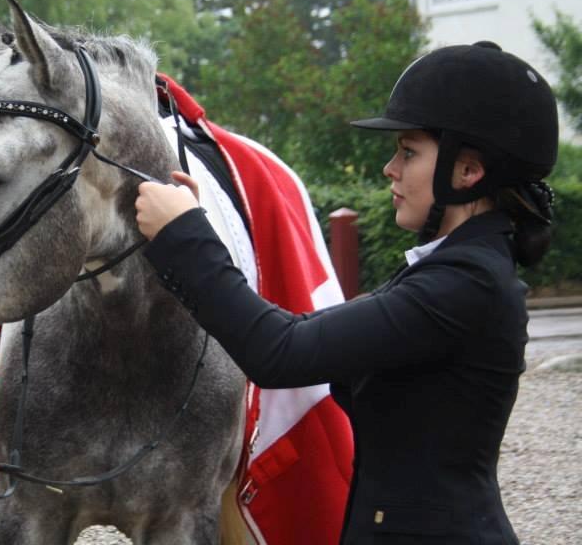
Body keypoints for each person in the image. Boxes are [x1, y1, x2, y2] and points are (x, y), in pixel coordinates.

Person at [135, 41, 558, 544]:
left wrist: (184, 237)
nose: (390, 169)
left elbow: (280, 352)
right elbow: (301, 332)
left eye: (408, 152)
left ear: (468, 171)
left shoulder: (465, 283)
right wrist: (203, 233)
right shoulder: (455, 268)